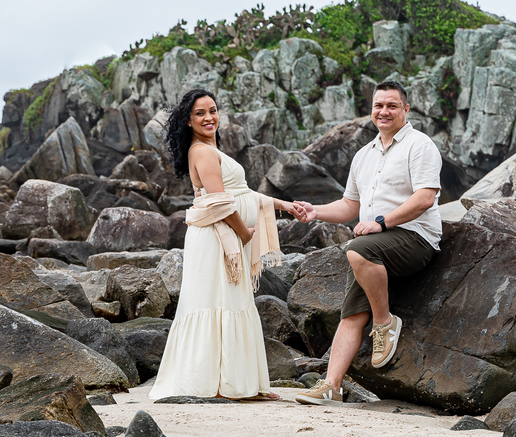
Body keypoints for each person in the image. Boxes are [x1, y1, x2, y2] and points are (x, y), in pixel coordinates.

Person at [293, 81, 442, 406]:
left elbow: (425, 199)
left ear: (405, 109)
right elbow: (349, 206)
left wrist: (380, 223)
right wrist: (315, 211)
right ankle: (331, 385)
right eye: (378, 106)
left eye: (392, 105)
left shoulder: (420, 145)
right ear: (371, 110)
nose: (384, 111)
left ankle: (385, 323)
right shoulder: (364, 155)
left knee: (357, 249)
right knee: (350, 314)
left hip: (415, 239)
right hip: (374, 246)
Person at [149, 88, 303, 400]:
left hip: (226, 237)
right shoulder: (203, 152)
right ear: (189, 121)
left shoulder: (210, 149)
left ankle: (239, 383)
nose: (209, 118)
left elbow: (242, 194)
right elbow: (219, 202)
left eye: (213, 111)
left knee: (231, 302)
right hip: (217, 239)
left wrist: (283, 206)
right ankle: (218, 384)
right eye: (200, 113)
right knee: (217, 302)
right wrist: (245, 234)